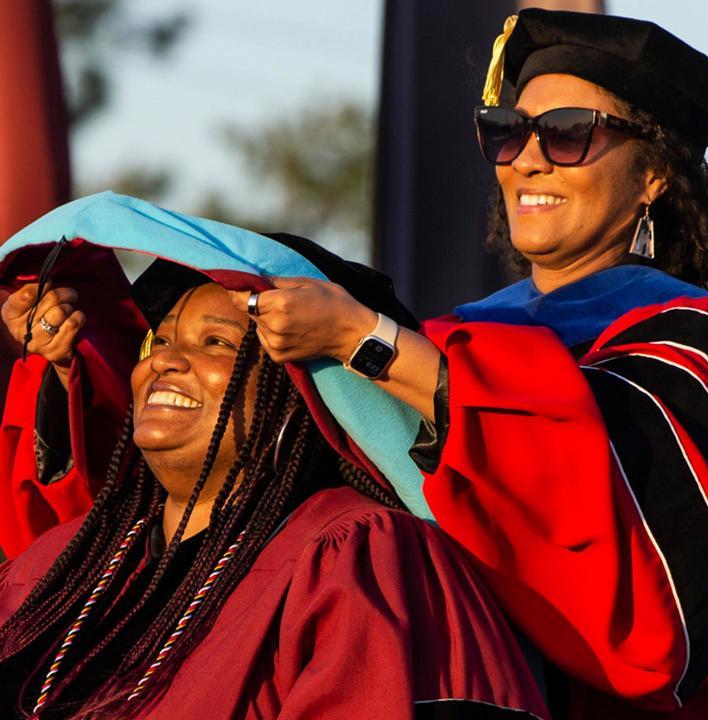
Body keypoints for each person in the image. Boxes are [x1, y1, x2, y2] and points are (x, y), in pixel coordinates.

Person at [216, 9, 708, 720]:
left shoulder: (695, 346)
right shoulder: (456, 335)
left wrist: (369, 341)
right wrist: (73, 363)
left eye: (570, 131)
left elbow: (637, 591)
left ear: (655, 176)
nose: (528, 160)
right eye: (509, 132)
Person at [0, 198, 548, 719]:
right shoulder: (57, 566)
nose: (166, 361)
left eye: (216, 343)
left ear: (301, 390)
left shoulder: (353, 554)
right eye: (159, 341)